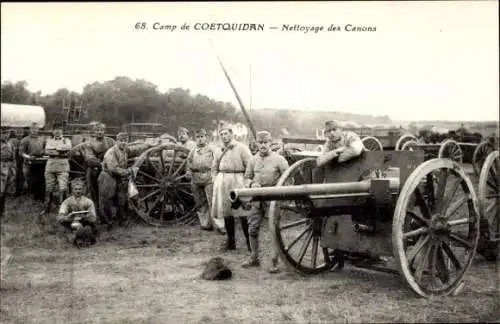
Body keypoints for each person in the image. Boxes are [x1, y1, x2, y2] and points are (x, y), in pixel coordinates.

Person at [241, 131, 289, 273]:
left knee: (273, 230)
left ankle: (274, 261)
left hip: (273, 199)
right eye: (260, 143)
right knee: (252, 228)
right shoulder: (253, 160)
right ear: (257, 144)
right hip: (256, 199)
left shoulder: (279, 160)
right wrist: (250, 184)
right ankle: (254, 257)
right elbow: (247, 177)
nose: (263, 145)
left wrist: (278, 190)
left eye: (265, 142)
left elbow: (289, 179)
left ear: (270, 143)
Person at [211, 123, 253, 251]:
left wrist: (247, 182)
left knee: (242, 213)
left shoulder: (241, 148)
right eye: (222, 134)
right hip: (223, 181)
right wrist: (216, 179)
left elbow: (250, 165)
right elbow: (214, 167)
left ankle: (249, 243)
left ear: (232, 134)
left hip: (238, 180)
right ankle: (231, 242)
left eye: (226, 133)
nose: (224, 136)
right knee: (227, 212)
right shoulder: (219, 150)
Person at [98, 132, 151, 230]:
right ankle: (107, 223)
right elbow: (113, 168)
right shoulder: (111, 152)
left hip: (119, 176)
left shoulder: (124, 149)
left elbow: (134, 149)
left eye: (125, 141)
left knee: (121, 198)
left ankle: (121, 220)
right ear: (117, 141)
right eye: (121, 141)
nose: (123, 143)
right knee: (106, 200)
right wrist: (129, 171)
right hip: (108, 177)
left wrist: (147, 145)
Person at [186, 128, 218, 231]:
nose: (200, 139)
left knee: (211, 201)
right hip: (196, 178)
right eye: (198, 137)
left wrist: (215, 174)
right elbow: (188, 162)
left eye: (202, 137)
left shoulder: (212, 149)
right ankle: (205, 224)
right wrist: (188, 172)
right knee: (200, 202)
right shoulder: (193, 151)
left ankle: (216, 224)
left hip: (208, 178)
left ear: (206, 138)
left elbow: (218, 161)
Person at [40, 128, 72, 217]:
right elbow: (46, 151)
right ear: (53, 132)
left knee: (63, 188)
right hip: (50, 166)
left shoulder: (66, 140)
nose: (57, 132)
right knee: (49, 188)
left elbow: (69, 148)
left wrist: (54, 150)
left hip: (63, 166)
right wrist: (61, 151)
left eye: (59, 130)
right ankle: (47, 208)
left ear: (62, 131)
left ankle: (65, 209)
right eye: (55, 130)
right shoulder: (49, 140)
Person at [57, 178, 98, 247]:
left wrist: (85, 217)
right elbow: (59, 218)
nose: (78, 191)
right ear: (72, 190)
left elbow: (94, 218)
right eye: (76, 189)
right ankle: (78, 240)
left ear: (83, 190)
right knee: (69, 230)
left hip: (85, 223)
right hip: (71, 224)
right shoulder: (67, 202)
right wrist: (68, 217)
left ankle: (83, 240)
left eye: (80, 189)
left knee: (87, 228)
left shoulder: (88, 202)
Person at [82, 123, 115, 208]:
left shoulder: (110, 141)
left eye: (101, 130)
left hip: (110, 166)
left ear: (104, 131)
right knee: (92, 186)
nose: (99, 132)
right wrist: (99, 163)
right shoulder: (89, 143)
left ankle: (112, 207)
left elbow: (116, 151)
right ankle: (96, 206)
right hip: (95, 167)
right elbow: (89, 157)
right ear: (94, 132)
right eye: (97, 130)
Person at [19, 122, 47, 201]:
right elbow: (21, 153)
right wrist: (28, 157)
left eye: (36, 128)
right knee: (30, 180)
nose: (34, 130)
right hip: (29, 164)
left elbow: (46, 149)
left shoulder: (42, 139)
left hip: (40, 163)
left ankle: (40, 197)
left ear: (38, 129)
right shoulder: (25, 140)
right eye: (33, 128)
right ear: (30, 130)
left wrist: (44, 152)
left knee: (41, 180)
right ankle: (32, 195)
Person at [0, 129, 16, 218]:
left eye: (7, 133)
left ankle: (2, 211)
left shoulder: (10, 143)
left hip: (9, 168)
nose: (5, 135)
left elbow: (13, 157)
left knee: (5, 190)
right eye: (3, 133)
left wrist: (13, 169)